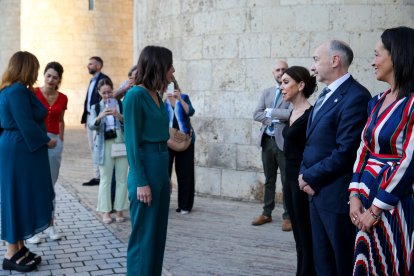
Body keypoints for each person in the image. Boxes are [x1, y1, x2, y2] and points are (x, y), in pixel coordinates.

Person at [299, 40, 372, 276]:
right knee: (322, 262)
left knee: (340, 262)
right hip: (315, 193)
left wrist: (308, 176)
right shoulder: (326, 94)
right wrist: (305, 176)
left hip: (335, 195)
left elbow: (346, 150)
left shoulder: (356, 96)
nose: (312, 67)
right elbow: (311, 144)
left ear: (335, 60)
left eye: (315, 60)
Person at [349, 26, 414, 275]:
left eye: (377, 54)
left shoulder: (412, 104)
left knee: (391, 263)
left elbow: (410, 161)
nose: (373, 62)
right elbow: (362, 150)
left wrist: (376, 209)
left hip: (391, 203)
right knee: (366, 262)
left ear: (396, 55)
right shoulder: (375, 102)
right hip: (365, 199)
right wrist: (354, 195)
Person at [0, 51, 57, 272]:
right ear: (26, 68)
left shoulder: (18, 89)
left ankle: (20, 246)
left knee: (21, 196)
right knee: (16, 197)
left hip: (20, 149)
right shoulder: (15, 91)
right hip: (19, 149)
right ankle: (10, 251)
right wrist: (46, 141)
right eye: (34, 67)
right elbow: (25, 123)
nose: (36, 72)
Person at [123, 45, 173, 275]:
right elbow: (132, 142)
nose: (173, 70)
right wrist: (141, 180)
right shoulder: (135, 95)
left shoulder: (157, 96)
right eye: (169, 66)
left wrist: (166, 176)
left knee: (157, 235)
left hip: (161, 165)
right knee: (143, 236)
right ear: (158, 66)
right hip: (145, 166)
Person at [280, 66, 316, 276]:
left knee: (305, 234)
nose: (282, 87)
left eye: (286, 82)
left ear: (301, 85)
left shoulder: (311, 114)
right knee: (298, 235)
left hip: (302, 180)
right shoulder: (292, 111)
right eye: (281, 83)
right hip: (289, 178)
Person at [27, 62, 67, 244]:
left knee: (50, 186)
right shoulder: (33, 93)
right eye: (48, 75)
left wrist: (62, 139)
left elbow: (61, 120)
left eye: (55, 77)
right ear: (43, 75)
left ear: (59, 79)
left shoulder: (63, 98)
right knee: (35, 185)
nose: (51, 80)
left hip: (55, 142)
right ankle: (33, 229)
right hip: (36, 141)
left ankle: (50, 225)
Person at [252, 60, 292, 231]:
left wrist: (271, 112)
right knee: (269, 179)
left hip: (283, 142)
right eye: (278, 70)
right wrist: (272, 120)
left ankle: (288, 216)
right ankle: (266, 212)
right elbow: (256, 113)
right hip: (267, 141)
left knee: (286, 180)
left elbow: (290, 113)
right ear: (273, 73)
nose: (281, 72)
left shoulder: (292, 92)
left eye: (284, 70)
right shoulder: (267, 92)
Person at [88, 77, 128, 224]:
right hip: (104, 144)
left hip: (121, 142)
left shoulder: (121, 105)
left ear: (113, 90)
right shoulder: (95, 107)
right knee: (105, 179)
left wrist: (118, 115)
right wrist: (100, 116)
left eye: (109, 92)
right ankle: (105, 212)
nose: (107, 96)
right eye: (104, 93)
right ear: (99, 92)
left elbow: (129, 122)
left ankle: (119, 210)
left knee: (122, 178)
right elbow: (91, 125)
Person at [165, 76, 196, 214]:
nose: (168, 87)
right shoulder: (160, 99)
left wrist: (180, 99)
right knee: (164, 174)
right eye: (166, 85)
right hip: (166, 140)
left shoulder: (184, 97)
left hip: (184, 139)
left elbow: (191, 112)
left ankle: (184, 205)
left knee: (185, 173)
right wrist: (163, 99)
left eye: (170, 84)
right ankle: (163, 204)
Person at [81, 56, 109, 186]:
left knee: (98, 147)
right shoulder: (92, 80)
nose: (89, 66)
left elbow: (105, 100)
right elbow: (88, 100)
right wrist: (87, 119)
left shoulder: (104, 79)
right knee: (92, 147)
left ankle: (100, 176)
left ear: (99, 66)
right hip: (90, 118)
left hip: (99, 118)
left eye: (91, 64)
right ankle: (96, 175)